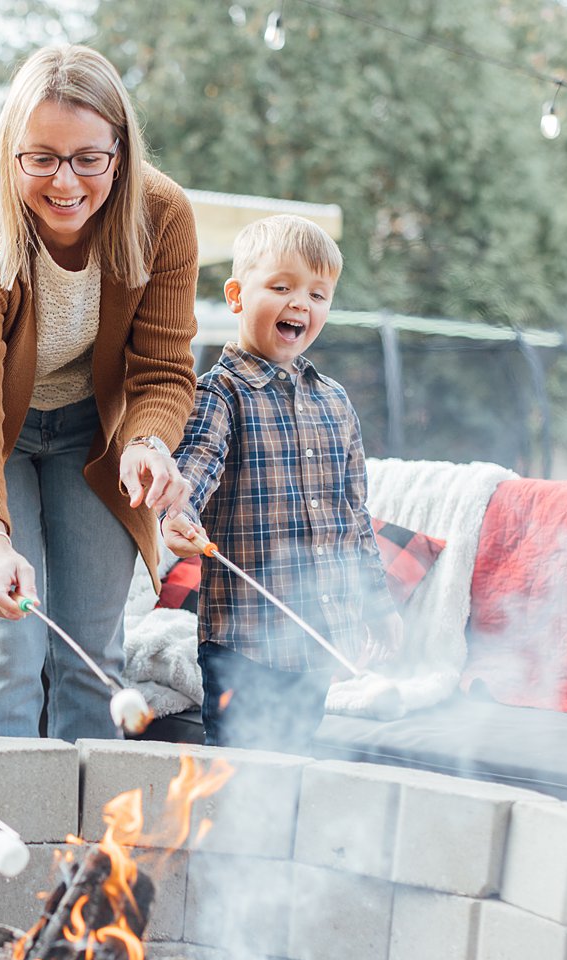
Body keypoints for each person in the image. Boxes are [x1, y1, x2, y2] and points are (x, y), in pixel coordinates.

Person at [0, 44, 198, 741]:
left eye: (89, 158)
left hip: (91, 436)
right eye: (42, 158)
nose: (65, 182)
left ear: (121, 149)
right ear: (11, 152)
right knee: (9, 653)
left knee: (92, 657)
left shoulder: (163, 216)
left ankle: (85, 846)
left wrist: (147, 442)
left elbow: (163, 367)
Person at [161, 215, 403, 753]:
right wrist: (178, 514)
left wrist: (378, 606)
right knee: (239, 773)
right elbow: (196, 465)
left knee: (290, 770)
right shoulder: (218, 394)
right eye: (281, 286)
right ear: (237, 296)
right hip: (243, 643)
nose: (301, 303)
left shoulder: (335, 401)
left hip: (319, 640)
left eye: (318, 293)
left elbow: (354, 517)